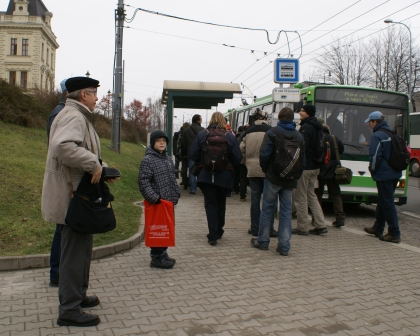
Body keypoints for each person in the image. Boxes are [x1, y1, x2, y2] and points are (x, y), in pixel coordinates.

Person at [42, 76, 119, 327]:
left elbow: (86, 152)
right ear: (83, 95)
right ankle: (69, 310)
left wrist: (101, 168)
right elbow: (63, 147)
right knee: (74, 255)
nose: (97, 97)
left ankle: (78, 296)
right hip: (72, 197)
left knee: (82, 251)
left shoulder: (77, 115)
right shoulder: (74, 115)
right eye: (94, 93)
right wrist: (92, 164)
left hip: (78, 194)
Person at [251, 107, 305, 255]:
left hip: (273, 178)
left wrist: (266, 170)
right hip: (290, 179)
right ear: (292, 118)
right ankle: (284, 246)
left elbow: (264, 155)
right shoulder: (298, 136)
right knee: (286, 212)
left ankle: (263, 241)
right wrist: (296, 176)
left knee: (267, 209)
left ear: (280, 117)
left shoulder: (272, 133)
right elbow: (303, 160)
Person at [189, 112, 242, 245]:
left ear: (211, 120)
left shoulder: (203, 134)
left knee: (210, 204)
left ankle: (212, 234)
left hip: (206, 175)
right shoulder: (229, 136)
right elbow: (238, 157)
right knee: (221, 203)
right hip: (223, 175)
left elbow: (193, 154)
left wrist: (204, 161)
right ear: (223, 121)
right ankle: (219, 229)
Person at [138, 130, 181, 267]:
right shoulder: (148, 160)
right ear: (152, 143)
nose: (162, 143)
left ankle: (163, 253)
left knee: (166, 228)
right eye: (158, 140)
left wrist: (176, 193)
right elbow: (143, 181)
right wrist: (154, 198)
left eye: (164, 140)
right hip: (157, 201)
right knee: (157, 229)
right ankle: (156, 257)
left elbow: (172, 179)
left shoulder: (167, 158)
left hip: (167, 202)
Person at [363, 111, 402, 243]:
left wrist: (372, 169)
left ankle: (394, 232)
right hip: (395, 172)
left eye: (370, 122)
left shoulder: (377, 135)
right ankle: (378, 227)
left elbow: (375, 156)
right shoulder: (391, 132)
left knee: (387, 202)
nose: (369, 125)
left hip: (384, 173)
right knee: (383, 200)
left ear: (375, 122)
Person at [240, 108, 277, 237]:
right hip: (267, 170)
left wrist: (247, 161)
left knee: (255, 200)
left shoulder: (247, 132)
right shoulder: (271, 131)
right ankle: (269, 228)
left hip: (252, 169)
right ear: (265, 119)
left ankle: (255, 228)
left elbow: (242, 149)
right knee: (269, 200)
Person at [45, 78, 67, 288]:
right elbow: (60, 147)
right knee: (62, 227)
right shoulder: (62, 113)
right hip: (63, 176)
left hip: (61, 174)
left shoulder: (58, 110)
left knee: (62, 227)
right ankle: (57, 273)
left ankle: (59, 272)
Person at [293, 104, 328, 235]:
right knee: (311, 195)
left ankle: (302, 227)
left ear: (308, 113)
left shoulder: (306, 128)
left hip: (306, 167)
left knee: (300, 197)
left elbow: (302, 147)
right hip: (316, 166)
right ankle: (320, 224)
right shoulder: (318, 127)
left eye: (302, 111)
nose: (300, 112)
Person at [315, 120, 346, 227]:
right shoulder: (334, 138)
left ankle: (317, 218)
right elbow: (341, 150)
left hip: (320, 170)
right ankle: (340, 217)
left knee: (317, 194)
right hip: (333, 170)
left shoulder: (318, 138)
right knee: (335, 195)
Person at [181, 114, 204, 194]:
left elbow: (183, 144)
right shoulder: (203, 130)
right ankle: (202, 188)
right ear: (198, 120)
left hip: (190, 154)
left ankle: (193, 189)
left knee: (192, 171)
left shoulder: (186, 130)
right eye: (201, 119)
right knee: (202, 170)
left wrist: (184, 153)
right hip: (201, 154)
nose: (202, 120)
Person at [178, 122, 190, 190]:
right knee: (191, 169)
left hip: (183, 153)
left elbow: (179, 143)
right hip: (189, 153)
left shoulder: (181, 133)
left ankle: (184, 182)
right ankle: (190, 182)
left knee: (184, 168)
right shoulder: (190, 133)